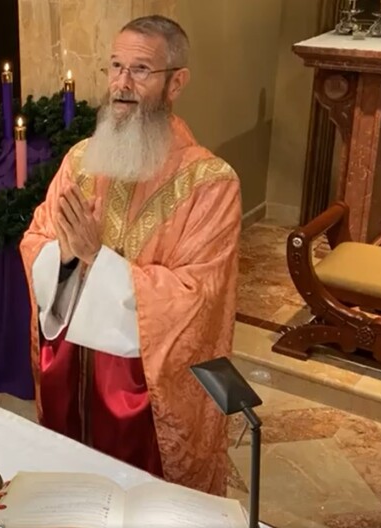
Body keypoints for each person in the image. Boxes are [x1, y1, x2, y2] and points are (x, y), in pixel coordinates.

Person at [20, 15, 241, 496]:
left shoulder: (211, 182)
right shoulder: (81, 159)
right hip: (71, 371)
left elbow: (197, 296)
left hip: (143, 397)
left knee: (143, 503)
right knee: (72, 494)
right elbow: (36, 237)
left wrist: (100, 261)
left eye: (140, 70)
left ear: (176, 82)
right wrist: (67, 257)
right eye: (115, 67)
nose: (121, 83)